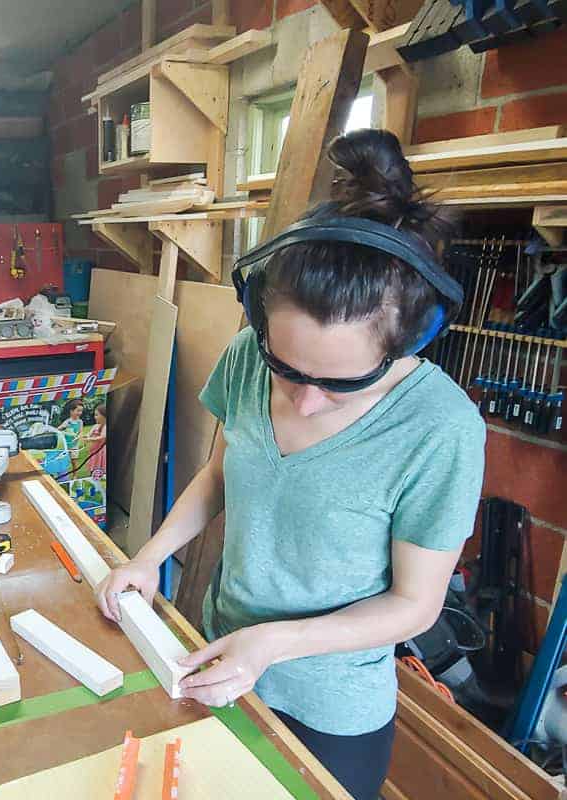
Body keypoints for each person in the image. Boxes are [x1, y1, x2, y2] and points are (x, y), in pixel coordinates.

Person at [96, 129, 486, 800]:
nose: (303, 402)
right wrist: (146, 558)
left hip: (329, 707)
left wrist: (271, 644)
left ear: (408, 342)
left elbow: (413, 605)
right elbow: (219, 473)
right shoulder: (248, 355)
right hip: (213, 658)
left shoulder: (440, 429)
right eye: (286, 368)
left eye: (339, 383)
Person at [85, 404, 108, 476]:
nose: (95, 417)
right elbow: (89, 433)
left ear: (104, 416)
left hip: (100, 451)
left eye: (97, 415)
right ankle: (93, 476)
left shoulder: (106, 426)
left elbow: (102, 437)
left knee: (100, 466)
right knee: (93, 465)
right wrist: (85, 436)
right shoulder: (95, 426)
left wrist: (90, 439)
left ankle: (99, 477)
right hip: (94, 450)